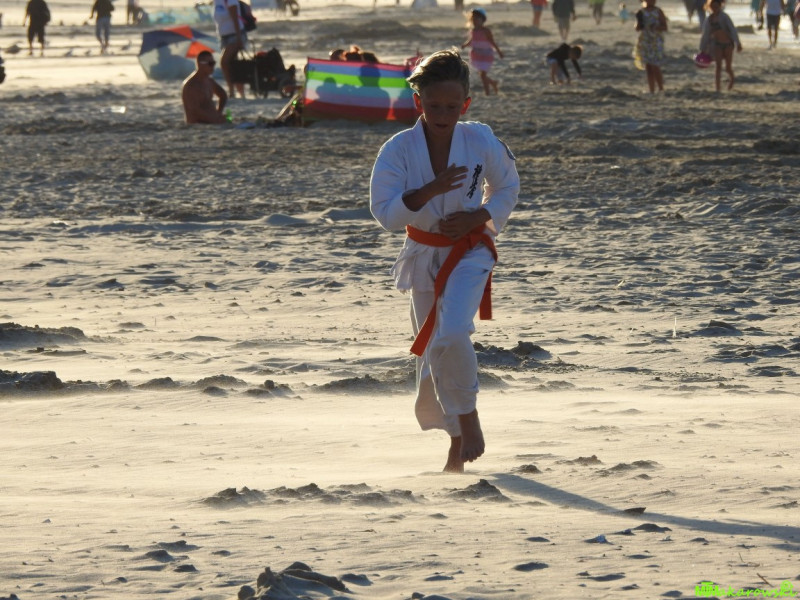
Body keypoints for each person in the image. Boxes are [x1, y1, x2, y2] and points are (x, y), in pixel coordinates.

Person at [369, 49, 519, 473]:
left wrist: (479, 215)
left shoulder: (480, 140)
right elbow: (385, 214)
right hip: (421, 255)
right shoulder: (398, 149)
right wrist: (429, 191)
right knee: (434, 351)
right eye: (434, 105)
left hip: (470, 250)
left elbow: (507, 186)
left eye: (452, 107)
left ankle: (468, 418)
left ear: (465, 104)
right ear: (418, 102)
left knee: (452, 331)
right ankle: (455, 443)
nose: (443, 114)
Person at [699, 0, 742, 91]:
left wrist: (738, 43)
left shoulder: (725, 17)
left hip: (728, 45)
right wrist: (702, 49)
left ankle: (732, 80)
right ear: (710, 7)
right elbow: (705, 35)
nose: (715, 8)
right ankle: (717, 88)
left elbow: (732, 29)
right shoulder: (709, 20)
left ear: (720, 6)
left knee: (728, 68)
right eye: (713, 7)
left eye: (716, 6)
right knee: (718, 66)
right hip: (717, 45)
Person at [461, 8, 504, 95]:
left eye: (477, 19)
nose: (475, 21)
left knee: (482, 75)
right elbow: (471, 40)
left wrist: (499, 52)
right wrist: (465, 45)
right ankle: (493, 83)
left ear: (482, 20)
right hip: (476, 55)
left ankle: (487, 93)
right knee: (482, 75)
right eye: (473, 19)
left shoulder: (486, 31)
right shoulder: (473, 30)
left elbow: (492, 42)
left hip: (486, 55)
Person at [182, 50, 228, 124]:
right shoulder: (191, 85)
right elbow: (194, 110)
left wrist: (218, 113)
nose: (213, 67)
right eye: (210, 64)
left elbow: (223, 95)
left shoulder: (209, 81)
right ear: (200, 64)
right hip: (198, 124)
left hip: (212, 120)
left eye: (213, 63)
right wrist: (215, 120)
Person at [213, 0, 246, 98]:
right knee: (233, 64)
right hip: (224, 37)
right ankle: (240, 92)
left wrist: (239, 39)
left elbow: (235, 19)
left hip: (235, 36)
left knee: (224, 62)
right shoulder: (216, 1)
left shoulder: (230, 1)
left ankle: (231, 91)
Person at [634, 0, 667, 93]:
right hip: (645, 40)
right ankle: (651, 89)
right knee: (648, 66)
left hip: (656, 41)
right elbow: (637, 28)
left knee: (655, 65)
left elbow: (665, 27)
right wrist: (639, 23)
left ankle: (661, 88)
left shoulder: (658, 11)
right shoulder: (641, 12)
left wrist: (656, 27)